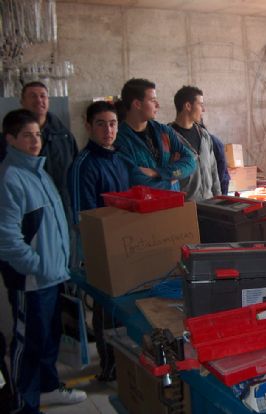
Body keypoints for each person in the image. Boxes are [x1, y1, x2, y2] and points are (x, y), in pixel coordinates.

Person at [0, 109, 86, 413]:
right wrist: (38, 266)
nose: (35, 140)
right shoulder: (11, 177)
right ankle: (23, 403)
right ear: (10, 139)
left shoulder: (38, 170)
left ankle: (48, 388)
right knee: (29, 343)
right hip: (32, 280)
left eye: (37, 134)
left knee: (49, 339)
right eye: (27, 135)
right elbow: (7, 239)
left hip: (52, 275)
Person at [68, 101, 130, 382]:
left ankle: (124, 363)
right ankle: (110, 368)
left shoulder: (118, 158)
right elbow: (85, 220)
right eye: (101, 124)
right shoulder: (84, 165)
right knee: (105, 312)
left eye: (113, 124)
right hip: (100, 253)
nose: (108, 130)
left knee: (122, 314)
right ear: (88, 126)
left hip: (123, 247)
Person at [115, 78, 196, 190]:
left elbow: (190, 162)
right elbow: (134, 180)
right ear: (137, 104)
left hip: (173, 204)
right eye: (153, 100)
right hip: (145, 205)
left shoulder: (164, 131)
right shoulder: (119, 139)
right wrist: (169, 183)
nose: (157, 105)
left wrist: (158, 173)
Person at [18, 81, 79, 219]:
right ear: (22, 102)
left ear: (48, 100)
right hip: (29, 210)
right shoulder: (14, 138)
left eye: (42, 96)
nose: (39, 100)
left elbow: (75, 172)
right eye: (33, 96)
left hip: (63, 207)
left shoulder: (64, 135)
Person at [169, 86, 221, 201]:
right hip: (185, 209)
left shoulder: (204, 136)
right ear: (188, 106)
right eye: (200, 104)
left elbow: (213, 170)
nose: (203, 110)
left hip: (210, 205)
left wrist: (219, 198)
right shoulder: (168, 137)